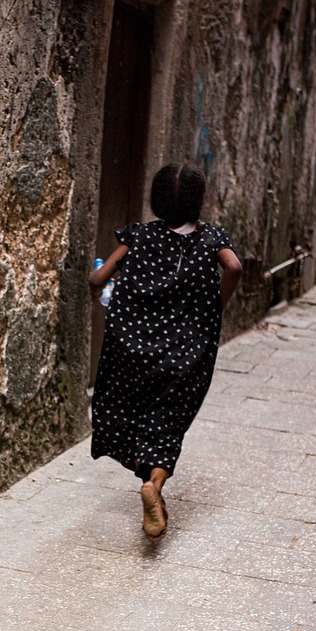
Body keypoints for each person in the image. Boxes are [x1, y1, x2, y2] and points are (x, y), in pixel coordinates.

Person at [88, 163, 243, 542]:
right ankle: (153, 484)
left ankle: (146, 474)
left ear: (156, 200)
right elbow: (235, 267)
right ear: (198, 201)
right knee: (168, 421)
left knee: (131, 411)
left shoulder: (139, 236)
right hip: (185, 352)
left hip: (133, 348)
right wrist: (216, 307)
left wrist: (103, 289)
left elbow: (98, 278)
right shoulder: (212, 238)